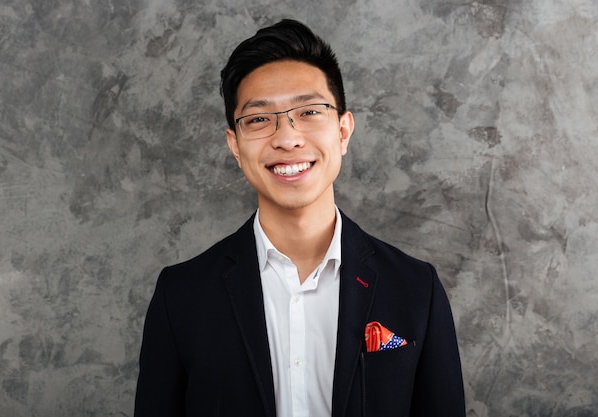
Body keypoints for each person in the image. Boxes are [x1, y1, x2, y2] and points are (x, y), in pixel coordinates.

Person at [134, 19, 465, 417]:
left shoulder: (415, 288)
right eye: (259, 119)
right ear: (235, 145)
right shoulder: (182, 295)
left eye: (309, 111)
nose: (287, 138)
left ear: (343, 131)